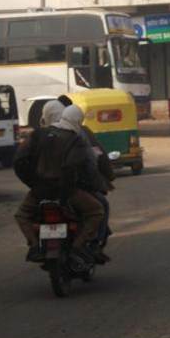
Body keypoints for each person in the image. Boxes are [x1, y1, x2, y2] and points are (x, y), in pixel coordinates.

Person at [13, 101, 105, 264]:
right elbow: (81, 166)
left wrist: (32, 183)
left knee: (22, 215)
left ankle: (34, 246)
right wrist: (77, 187)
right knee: (96, 211)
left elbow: (19, 161)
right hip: (68, 192)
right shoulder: (75, 139)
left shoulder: (38, 134)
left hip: (40, 191)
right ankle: (78, 246)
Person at [57, 96, 115, 262]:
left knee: (26, 214)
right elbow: (95, 160)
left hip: (43, 190)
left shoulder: (42, 134)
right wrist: (106, 179)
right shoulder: (80, 134)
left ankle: (34, 244)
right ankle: (94, 243)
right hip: (75, 188)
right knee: (100, 207)